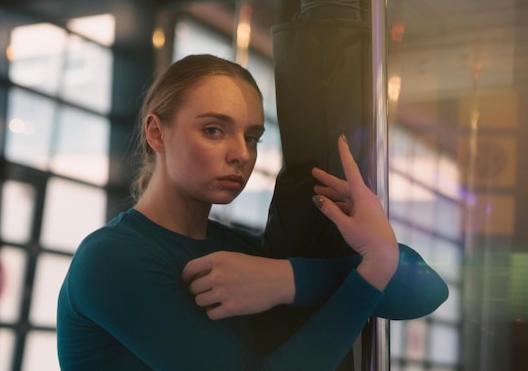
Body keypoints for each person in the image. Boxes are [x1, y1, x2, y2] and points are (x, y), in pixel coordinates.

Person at [56, 54, 448, 371]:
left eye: (252, 137)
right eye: (214, 130)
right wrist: (370, 266)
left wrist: (288, 278)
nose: (242, 154)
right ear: (157, 133)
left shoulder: (237, 251)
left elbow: (426, 291)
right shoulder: (111, 259)